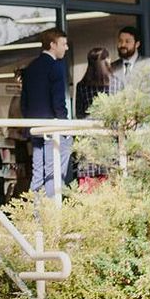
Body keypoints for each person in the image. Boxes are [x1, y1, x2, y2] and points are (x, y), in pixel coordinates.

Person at [18, 27, 70, 199]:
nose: (66, 47)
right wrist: (65, 128)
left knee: (38, 171)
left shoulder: (31, 68)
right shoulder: (56, 67)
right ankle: (52, 216)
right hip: (51, 127)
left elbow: (24, 102)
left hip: (34, 128)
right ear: (52, 44)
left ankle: (36, 214)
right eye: (63, 44)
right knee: (53, 173)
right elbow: (58, 101)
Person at [73, 47, 114, 190]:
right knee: (109, 184)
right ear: (108, 61)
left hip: (88, 141)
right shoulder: (116, 84)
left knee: (88, 186)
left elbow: (78, 114)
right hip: (110, 141)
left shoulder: (82, 86)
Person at [106, 25, 150, 95]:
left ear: (137, 44)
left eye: (127, 41)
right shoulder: (112, 67)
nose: (123, 45)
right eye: (120, 41)